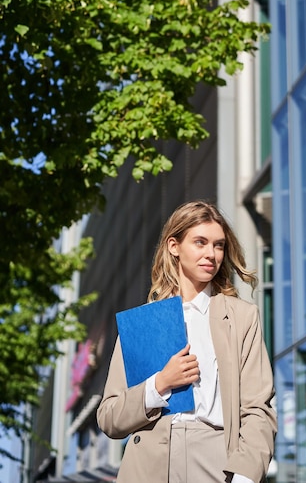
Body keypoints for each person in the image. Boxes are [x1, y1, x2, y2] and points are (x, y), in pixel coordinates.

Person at [97, 200, 277, 483]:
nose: (211, 254)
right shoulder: (144, 324)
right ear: (174, 246)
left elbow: (258, 408)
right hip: (148, 467)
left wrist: (244, 475)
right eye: (200, 242)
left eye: (218, 245)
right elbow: (109, 417)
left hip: (217, 460)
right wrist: (159, 384)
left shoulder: (241, 317)